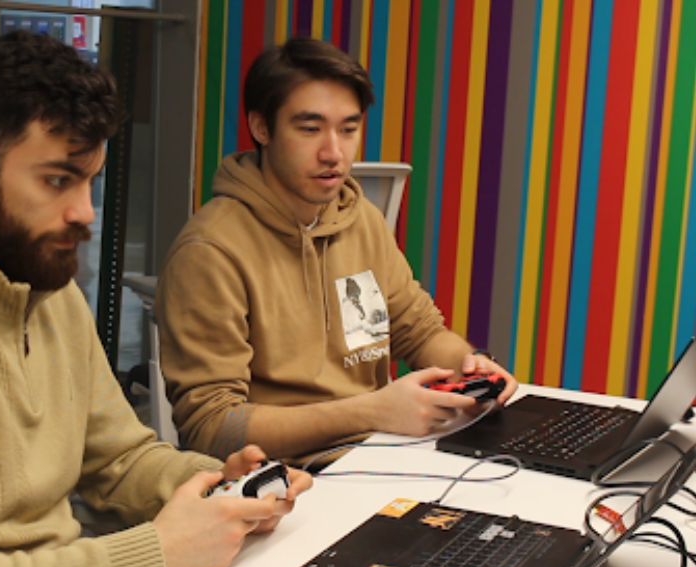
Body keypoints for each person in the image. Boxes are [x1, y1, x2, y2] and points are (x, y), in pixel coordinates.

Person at [0, 30, 311, 567]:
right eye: (57, 181)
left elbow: (118, 457)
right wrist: (156, 552)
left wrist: (215, 484)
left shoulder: (45, 284)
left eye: (91, 180)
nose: (83, 211)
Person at [156, 36, 519, 470]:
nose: (334, 153)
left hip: (379, 454)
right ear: (261, 128)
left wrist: (472, 370)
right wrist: (373, 411)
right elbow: (212, 427)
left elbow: (420, 332)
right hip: (285, 482)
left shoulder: (360, 217)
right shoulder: (210, 250)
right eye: (309, 129)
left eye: (348, 129)